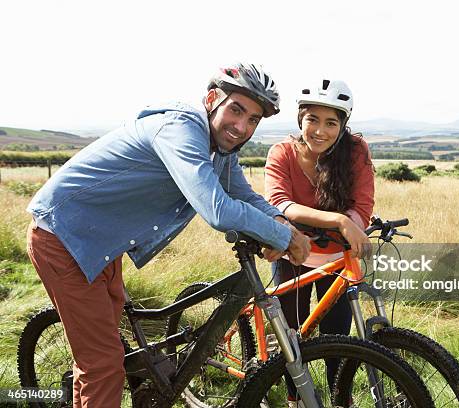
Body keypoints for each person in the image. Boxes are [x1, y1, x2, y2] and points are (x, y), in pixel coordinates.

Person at [25, 62, 311, 407]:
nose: (242, 126)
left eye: (253, 119)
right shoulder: (180, 128)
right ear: (211, 99)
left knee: (100, 350)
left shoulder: (220, 149)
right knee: (103, 364)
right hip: (62, 235)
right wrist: (281, 237)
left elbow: (242, 194)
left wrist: (282, 222)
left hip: (101, 242)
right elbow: (217, 209)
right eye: (237, 110)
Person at [264, 79, 375, 405]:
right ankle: (294, 400)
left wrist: (350, 222)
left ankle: (341, 401)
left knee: (337, 341)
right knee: (292, 340)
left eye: (331, 122)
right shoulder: (282, 153)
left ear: (343, 126)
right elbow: (279, 203)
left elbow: (363, 205)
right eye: (313, 119)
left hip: (336, 261)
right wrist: (339, 221)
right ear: (301, 119)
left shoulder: (355, 151)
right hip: (293, 256)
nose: (320, 130)